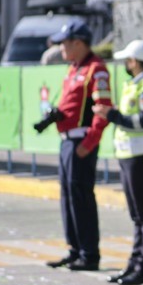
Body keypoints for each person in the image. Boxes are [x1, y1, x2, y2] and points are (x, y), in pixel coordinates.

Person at [93, 40, 143, 285]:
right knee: (137, 216)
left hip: (141, 156)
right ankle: (135, 264)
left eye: (127, 60)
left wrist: (111, 115)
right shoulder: (134, 83)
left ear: (134, 61)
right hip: (128, 155)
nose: (126, 64)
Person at [42, 20, 112, 271]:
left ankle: (89, 254)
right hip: (67, 141)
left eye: (64, 43)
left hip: (81, 141)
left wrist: (90, 142)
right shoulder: (74, 69)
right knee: (68, 197)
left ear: (79, 43)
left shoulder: (96, 69)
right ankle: (75, 249)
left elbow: (103, 110)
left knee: (81, 197)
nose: (61, 47)